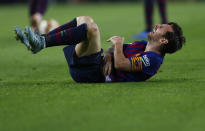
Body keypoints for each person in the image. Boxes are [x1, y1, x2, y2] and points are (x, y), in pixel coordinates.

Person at [14, 16, 185, 83]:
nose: (156, 25)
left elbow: (122, 64)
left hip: (95, 74)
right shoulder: (141, 45)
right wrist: (110, 56)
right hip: (93, 65)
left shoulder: (153, 60)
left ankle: (41, 42)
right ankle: (40, 40)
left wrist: (118, 43)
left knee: (92, 29)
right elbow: (111, 52)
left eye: (161, 27)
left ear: (163, 40)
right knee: (85, 19)